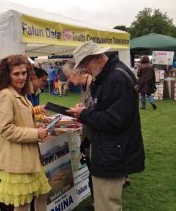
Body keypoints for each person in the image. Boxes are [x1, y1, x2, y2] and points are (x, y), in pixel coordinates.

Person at [68, 41, 145, 211]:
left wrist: (84, 115)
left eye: (85, 64)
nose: (85, 70)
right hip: (110, 148)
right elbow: (110, 109)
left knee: (106, 205)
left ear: (96, 58)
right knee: (105, 201)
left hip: (112, 150)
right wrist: (87, 110)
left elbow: (115, 120)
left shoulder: (115, 77)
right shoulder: (111, 74)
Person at [0, 55, 51, 211]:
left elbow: (22, 119)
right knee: (23, 204)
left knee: (42, 193)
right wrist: (35, 133)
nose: (21, 77)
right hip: (17, 159)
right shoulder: (6, 95)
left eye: (24, 73)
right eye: (16, 73)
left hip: (28, 157)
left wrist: (38, 128)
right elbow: (6, 129)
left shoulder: (18, 93)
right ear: (7, 75)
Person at [62, 60, 94, 205]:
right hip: (88, 134)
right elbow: (88, 105)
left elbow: (100, 111)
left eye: (68, 76)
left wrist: (83, 111)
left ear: (76, 72)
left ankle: (99, 203)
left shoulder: (94, 85)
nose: (68, 80)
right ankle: (97, 202)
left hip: (96, 136)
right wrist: (82, 107)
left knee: (95, 169)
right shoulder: (84, 86)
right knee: (91, 168)